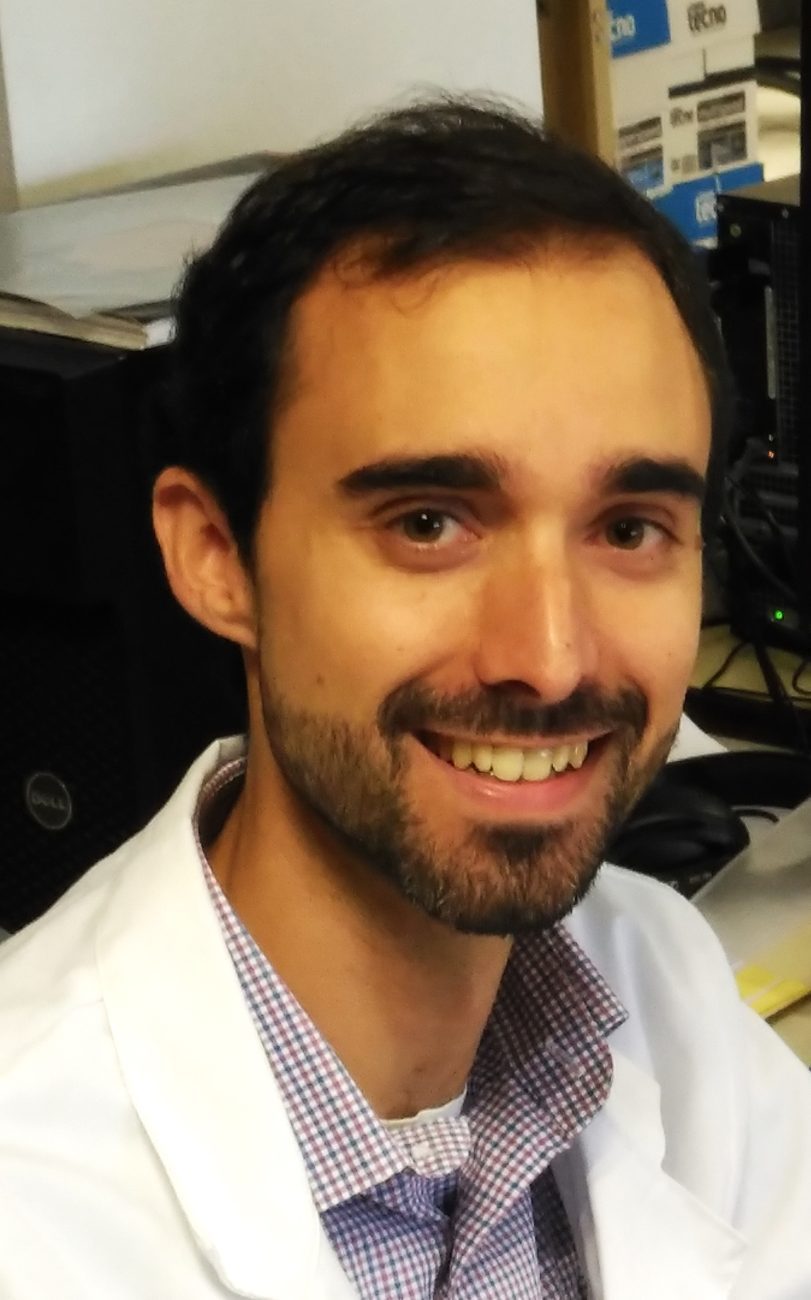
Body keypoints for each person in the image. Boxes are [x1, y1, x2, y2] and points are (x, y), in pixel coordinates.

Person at [0, 98, 809, 1300]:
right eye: (429, 522)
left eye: (629, 528)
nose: (549, 658)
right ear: (217, 556)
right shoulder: (31, 1197)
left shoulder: (661, 986)